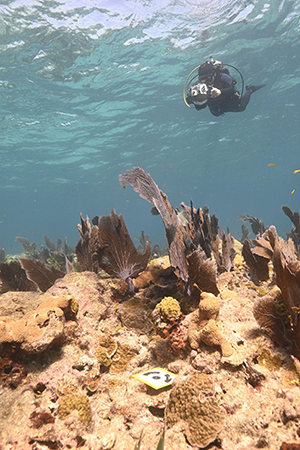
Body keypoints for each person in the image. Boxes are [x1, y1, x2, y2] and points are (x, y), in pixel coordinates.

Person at [186, 58, 266, 117]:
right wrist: (194, 99)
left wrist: (220, 92)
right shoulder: (197, 86)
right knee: (216, 113)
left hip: (229, 99)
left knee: (241, 107)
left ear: (214, 74)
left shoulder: (223, 77)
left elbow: (231, 90)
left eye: (208, 78)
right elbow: (200, 107)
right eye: (202, 79)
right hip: (217, 108)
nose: (205, 82)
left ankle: (250, 89)